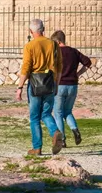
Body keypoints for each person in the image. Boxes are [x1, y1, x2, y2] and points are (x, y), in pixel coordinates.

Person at [15, 19, 63, 155]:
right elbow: (59, 67)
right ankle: (55, 132)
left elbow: (26, 68)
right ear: (44, 29)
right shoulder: (54, 45)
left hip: (35, 84)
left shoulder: (29, 46)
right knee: (46, 113)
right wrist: (57, 84)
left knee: (35, 117)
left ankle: (37, 148)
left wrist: (20, 88)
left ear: (31, 31)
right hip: (50, 82)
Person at [51, 30, 92, 147]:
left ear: (58, 41)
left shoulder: (56, 53)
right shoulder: (74, 52)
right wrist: (78, 74)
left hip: (60, 85)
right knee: (67, 111)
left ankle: (62, 140)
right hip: (73, 86)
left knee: (58, 113)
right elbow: (88, 62)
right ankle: (75, 130)